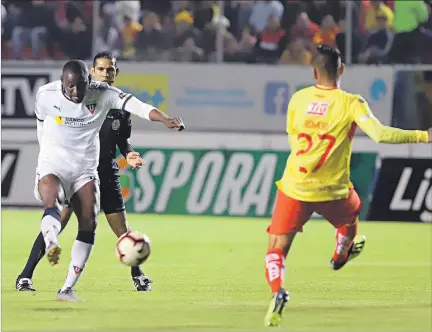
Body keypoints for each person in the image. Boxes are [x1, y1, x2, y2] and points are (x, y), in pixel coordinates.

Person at [263, 44, 432, 327]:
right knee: (352, 213)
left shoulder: (298, 99)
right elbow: (381, 135)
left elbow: (293, 138)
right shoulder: (352, 103)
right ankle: (340, 253)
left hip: (296, 186)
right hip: (333, 189)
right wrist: (423, 136)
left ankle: (278, 291)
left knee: (276, 249)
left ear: (314, 71)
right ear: (341, 70)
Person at [30, 59, 184, 301]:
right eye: (70, 87)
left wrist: (164, 119)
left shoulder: (105, 94)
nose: (76, 92)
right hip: (53, 163)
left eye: (80, 86)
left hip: (84, 169)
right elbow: (40, 126)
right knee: (53, 203)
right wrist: (44, 156)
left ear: (89, 81)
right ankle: (51, 242)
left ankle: (67, 289)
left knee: (89, 223)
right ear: (61, 82)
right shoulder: (45, 95)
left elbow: (140, 107)